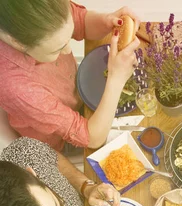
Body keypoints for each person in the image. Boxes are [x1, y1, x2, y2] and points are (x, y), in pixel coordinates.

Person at [0, 1, 140, 151]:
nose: (68, 51)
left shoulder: (44, 7)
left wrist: (107, 21)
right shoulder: (15, 86)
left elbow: (81, 22)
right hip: (56, 143)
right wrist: (116, 79)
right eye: (56, 50)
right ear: (18, 43)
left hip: (76, 94)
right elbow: (92, 139)